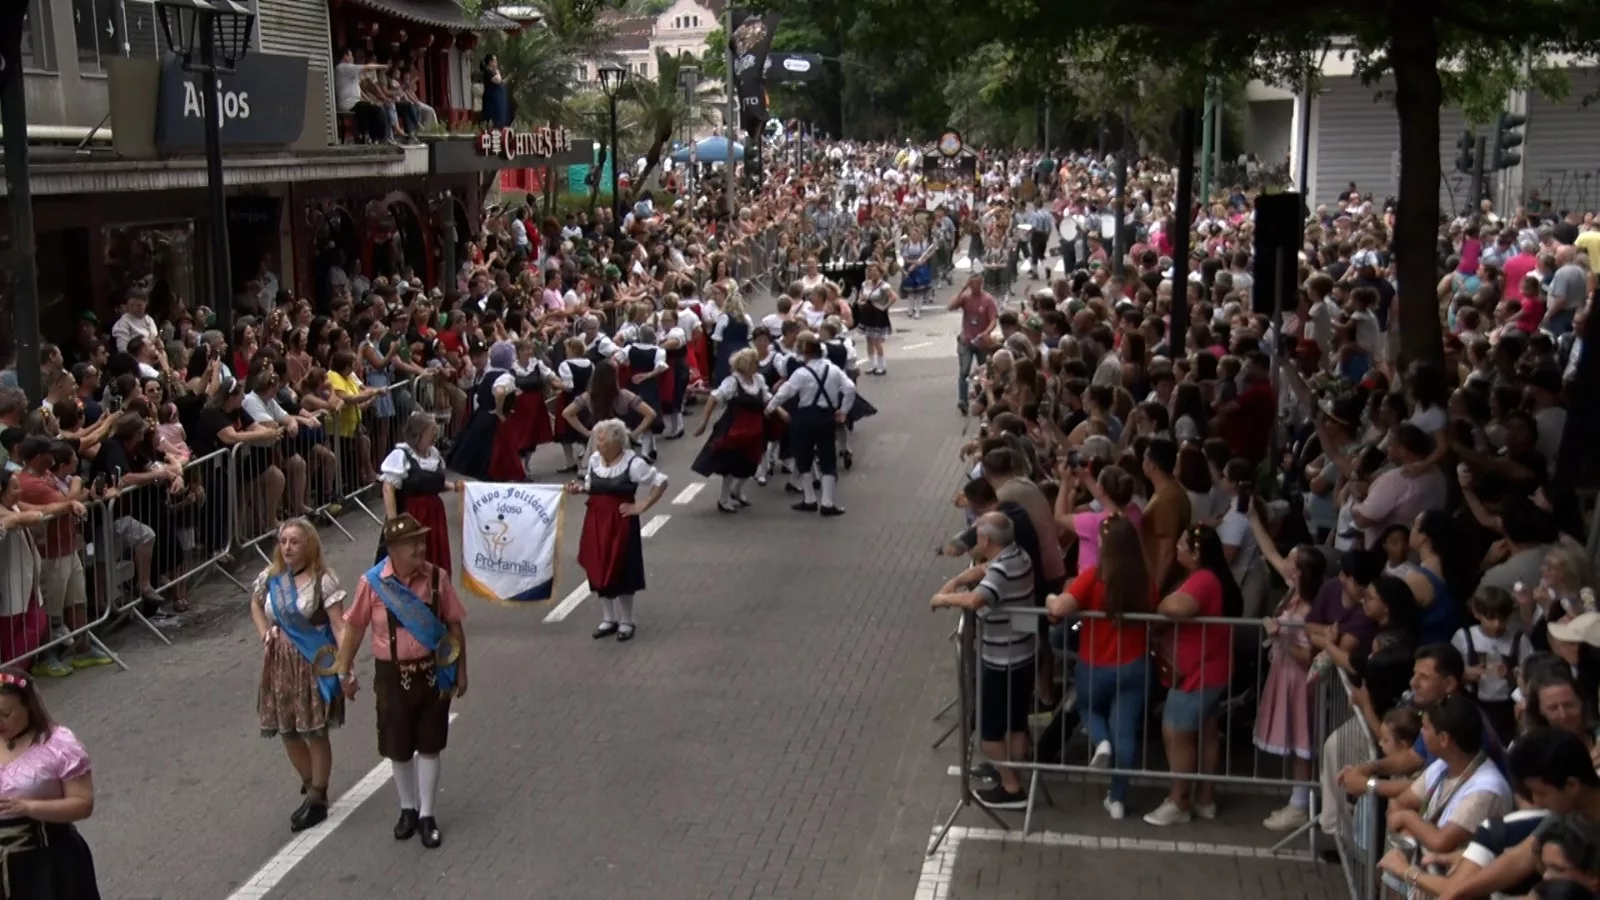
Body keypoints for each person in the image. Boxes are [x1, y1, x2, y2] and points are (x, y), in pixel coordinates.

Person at [334, 514, 469, 850]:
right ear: (392, 548)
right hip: (391, 675)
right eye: (412, 543)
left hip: (433, 670)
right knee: (398, 744)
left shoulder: (438, 578)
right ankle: (407, 808)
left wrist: (462, 671)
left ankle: (427, 814)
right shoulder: (372, 583)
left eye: (421, 541)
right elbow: (354, 628)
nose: (420, 547)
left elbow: (454, 625)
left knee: (430, 743)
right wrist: (343, 670)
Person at [1046, 515, 1156, 820]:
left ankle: (1101, 741)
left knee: (1086, 707)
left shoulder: (1094, 577)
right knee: (1127, 731)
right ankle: (1117, 799)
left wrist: (1051, 597)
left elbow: (1059, 608)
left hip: (1095, 664)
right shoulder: (1146, 580)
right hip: (1135, 665)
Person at [930, 511, 1037, 809]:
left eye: (977, 535)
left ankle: (1011, 786)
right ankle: (1013, 774)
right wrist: (956, 580)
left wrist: (943, 599)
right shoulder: (1018, 556)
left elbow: (977, 599)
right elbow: (982, 571)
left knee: (989, 731)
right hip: (1023, 654)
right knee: (1016, 724)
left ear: (987, 539)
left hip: (1001, 659)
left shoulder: (1002, 571)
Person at [248, 519, 348, 832]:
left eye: (294, 541)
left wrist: (346, 669)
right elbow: (254, 602)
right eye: (283, 541)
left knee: (315, 729)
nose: (287, 547)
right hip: (279, 663)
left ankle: (318, 797)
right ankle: (310, 786)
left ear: (309, 546)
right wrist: (265, 632)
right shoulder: (271, 577)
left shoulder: (323, 580)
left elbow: (339, 626)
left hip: (312, 661)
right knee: (288, 728)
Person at [1146, 524, 1243, 826]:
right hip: (1214, 666)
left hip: (1197, 672)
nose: (1177, 547)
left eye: (1182, 543)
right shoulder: (1216, 578)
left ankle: (1179, 800)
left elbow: (1179, 607)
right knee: (1207, 733)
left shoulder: (1202, 580)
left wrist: (1162, 604)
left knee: (1177, 733)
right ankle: (1205, 797)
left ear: (1197, 552)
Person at [0, 666, 102, 897]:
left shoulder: (58, 745)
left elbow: (83, 803)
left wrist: (29, 807)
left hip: (46, 861)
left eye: (5, 715)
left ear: (29, 707)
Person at [568, 419, 669, 642]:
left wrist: (642, 506)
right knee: (597, 564)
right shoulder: (595, 461)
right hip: (596, 519)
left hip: (621, 522)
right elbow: (593, 488)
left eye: (601, 440)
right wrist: (580, 490)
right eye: (596, 439)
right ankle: (608, 618)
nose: (597, 444)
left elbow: (660, 481)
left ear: (617, 442)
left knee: (622, 567)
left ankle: (627, 620)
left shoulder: (633, 463)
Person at [763, 333, 855, 516]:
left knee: (803, 457)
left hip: (804, 417)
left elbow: (784, 392)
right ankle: (827, 503)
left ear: (805, 353)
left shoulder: (801, 373)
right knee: (827, 458)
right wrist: (843, 410)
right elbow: (850, 388)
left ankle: (810, 499)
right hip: (826, 417)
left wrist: (770, 407)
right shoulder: (834, 370)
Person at [691, 348, 782, 513]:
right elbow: (714, 397)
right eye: (755, 363)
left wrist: (781, 411)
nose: (758, 365)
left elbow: (767, 398)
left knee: (751, 462)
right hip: (734, 428)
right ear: (747, 364)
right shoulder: (732, 382)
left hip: (755, 428)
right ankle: (724, 498)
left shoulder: (758, 379)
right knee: (731, 463)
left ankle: (737, 491)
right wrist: (704, 422)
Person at [379, 412, 463, 573]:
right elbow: (388, 488)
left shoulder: (433, 454)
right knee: (412, 558)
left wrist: (454, 487)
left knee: (435, 559)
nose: (436, 433)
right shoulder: (401, 455)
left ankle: (435, 593)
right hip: (413, 515)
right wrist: (394, 523)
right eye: (432, 429)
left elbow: (432, 484)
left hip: (435, 515)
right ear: (419, 433)